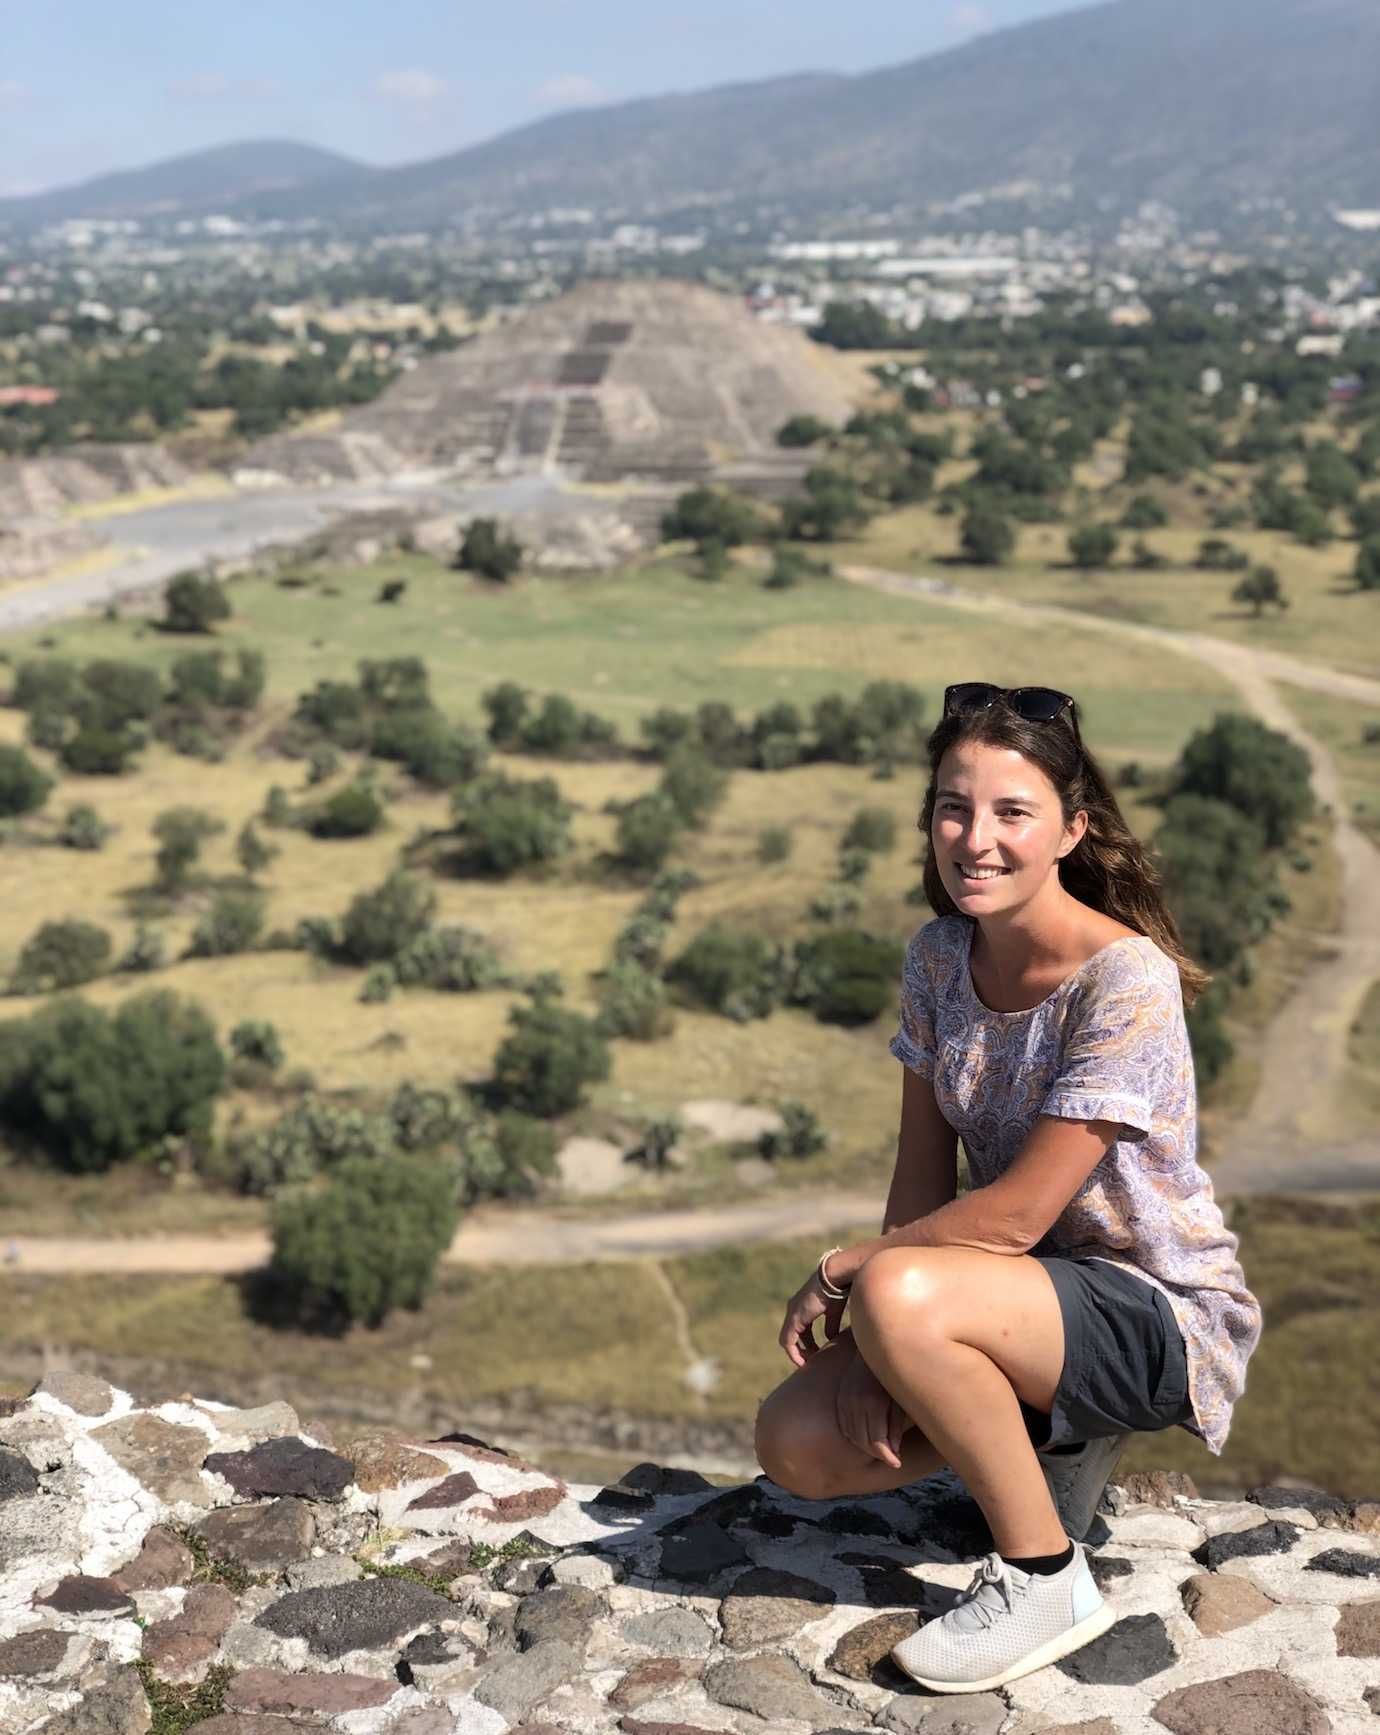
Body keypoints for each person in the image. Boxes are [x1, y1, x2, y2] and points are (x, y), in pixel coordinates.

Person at [754, 681, 1263, 1694]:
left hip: (1151, 1309)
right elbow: (919, 1179)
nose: (974, 837)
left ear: (1072, 829)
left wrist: (859, 1276)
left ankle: (1043, 1577)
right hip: (1004, 1296)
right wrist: (875, 1349)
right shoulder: (940, 956)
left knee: (900, 1290)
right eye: (953, 805)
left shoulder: (1127, 979)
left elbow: (1025, 1208)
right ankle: (1058, 1439)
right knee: (796, 1446)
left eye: (1011, 812)